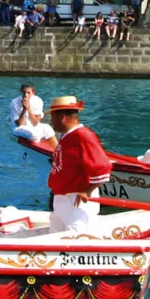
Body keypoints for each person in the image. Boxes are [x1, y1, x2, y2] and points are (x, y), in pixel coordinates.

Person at [46, 96, 111, 235]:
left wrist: (87, 190)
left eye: (52, 117)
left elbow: (103, 166)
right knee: (57, 237)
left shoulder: (82, 136)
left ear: (61, 117)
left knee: (76, 237)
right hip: (62, 198)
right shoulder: (67, 136)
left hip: (75, 201)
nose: (51, 122)